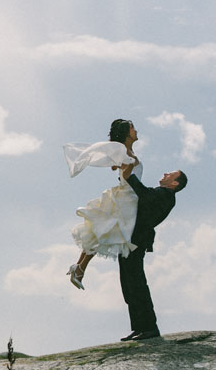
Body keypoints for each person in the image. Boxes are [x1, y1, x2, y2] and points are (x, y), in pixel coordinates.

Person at [64, 119, 141, 289]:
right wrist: (129, 163)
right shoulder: (126, 152)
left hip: (125, 196)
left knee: (100, 230)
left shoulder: (125, 151)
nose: (136, 130)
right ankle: (79, 268)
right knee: (104, 231)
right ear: (127, 134)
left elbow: (115, 168)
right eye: (133, 128)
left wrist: (125, 161)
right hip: (126, 198)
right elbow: (125, 174)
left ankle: (79, 267)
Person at [116, 164, 187, 341]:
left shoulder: (166, 195)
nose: (165, 172)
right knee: (128, 284)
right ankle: (139, 327)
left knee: (136, 283)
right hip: (131, 240)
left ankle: (149, 327)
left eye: (170, 174)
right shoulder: (163, 194)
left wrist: (129, 177)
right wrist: (125, 178)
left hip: (137, 241)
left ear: (174, 184)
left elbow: (144, 195)